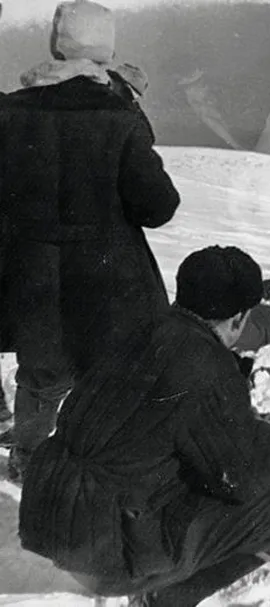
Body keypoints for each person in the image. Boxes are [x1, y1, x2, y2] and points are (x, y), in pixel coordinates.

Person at [19, 245, 270, 607]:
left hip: (48, 515)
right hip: (102, 552)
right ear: (239, 318)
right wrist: (268, 435)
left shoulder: (135, 329)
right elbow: (242, 479)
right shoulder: (205, 363)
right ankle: (166, 599)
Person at [0, 0, 180, 479]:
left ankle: (28, 461)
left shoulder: (8, 112)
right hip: (107, 277)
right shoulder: (119, 115)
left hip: (31, 275)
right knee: (108, 374)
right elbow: (158, 207)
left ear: (55, 45)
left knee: (39, 375)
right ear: (108, 50)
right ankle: (101, 463)